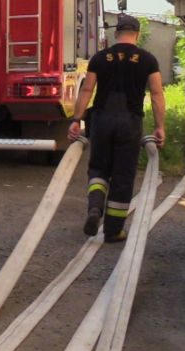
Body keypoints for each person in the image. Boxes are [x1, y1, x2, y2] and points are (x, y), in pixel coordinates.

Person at [68, 13, 165, 242]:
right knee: (123, 176)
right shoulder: (148, 60)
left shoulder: (100, 58)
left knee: (98, 169)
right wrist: (160, 126)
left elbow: (87, 90)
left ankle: (95, 208)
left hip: (101, 120)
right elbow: (157, 94)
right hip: (130, 122)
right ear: (137, 34)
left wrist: (76, 119)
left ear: (117, 33)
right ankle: (113, 231)